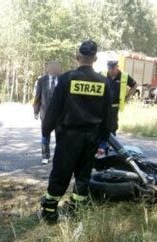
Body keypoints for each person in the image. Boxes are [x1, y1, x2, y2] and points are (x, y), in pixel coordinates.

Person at [38, 40, 111, 224]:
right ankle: (76, 211)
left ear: (77, 57)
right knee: (83, 175)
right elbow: (109, 115)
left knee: (60, 174)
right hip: (91, 138)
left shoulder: (67, 79)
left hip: (69, 137)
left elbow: (54, 109)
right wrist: (104, 138)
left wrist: (46, 131)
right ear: (94, 59)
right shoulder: (104, 82)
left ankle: (49, 213)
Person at [97, 60, 137, 155]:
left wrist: (127, 97)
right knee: (100, 125)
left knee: (112, 126)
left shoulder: (123, 76)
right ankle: (101, 146)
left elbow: (134, 85)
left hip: (114, 106)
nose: (110, 70)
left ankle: (109, 146)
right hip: (102, 105)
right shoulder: (102, 74)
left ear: (117, 67)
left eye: (112, 68)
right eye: (109, 68)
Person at [33, 61, 60, 165]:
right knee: (45, 136)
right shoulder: (42, 80)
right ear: (47, 69)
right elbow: (37, 96)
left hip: (59, 114)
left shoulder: (63, 79)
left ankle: (58, 157)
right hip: (45, 114)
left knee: (60, 137)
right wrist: (36, 110)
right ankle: (45, 156)